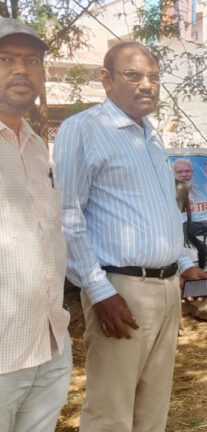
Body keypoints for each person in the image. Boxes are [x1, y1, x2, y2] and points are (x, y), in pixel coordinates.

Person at [54, 41, 207, 432]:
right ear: (106, 80)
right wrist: (100, 292)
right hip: (120, 290)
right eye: (133, 75)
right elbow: (68, 217)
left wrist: (185, 264)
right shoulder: (83, 129)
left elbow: (163, 209)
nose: (147, 85)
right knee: (111, 412)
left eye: (154, 77)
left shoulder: (150, 135)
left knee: (153, 408)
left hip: (167, 288)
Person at [0, 18, 72, 432]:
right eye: (5, 59)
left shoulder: (35, 146)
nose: (20, 69)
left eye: (31, 60)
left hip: (49, 342)